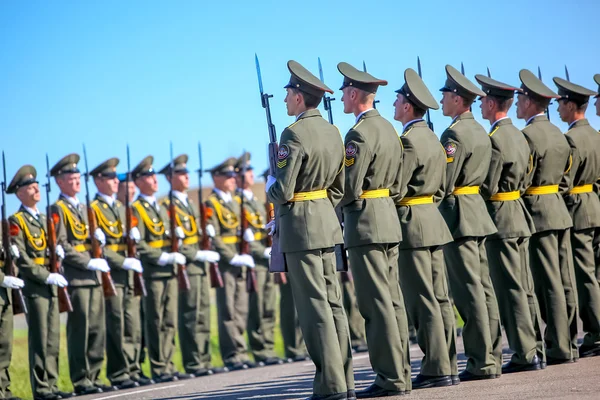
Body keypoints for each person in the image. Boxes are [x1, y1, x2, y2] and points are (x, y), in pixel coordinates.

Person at [266, 60, 353, 400]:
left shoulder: (293, 134)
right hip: (327, 226)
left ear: (300, 98)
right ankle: (345, 382)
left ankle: (330, 387)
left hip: (301, 231)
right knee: (333, 305)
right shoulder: (334, 131)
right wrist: (317, 207)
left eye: (288, 94)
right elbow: (339, 188)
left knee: (314, 308)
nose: (286, 100)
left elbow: (285, 191)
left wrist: (273, 187)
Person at [336, 61, 409, 398]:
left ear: (354, 94)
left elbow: (349, 187)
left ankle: (389, 378)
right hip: (388, 218)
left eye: (344, 93)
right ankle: (402, 373)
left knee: (375, 304)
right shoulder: (390, 130)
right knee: (393, 301)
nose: (341, 98)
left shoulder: (358, 134)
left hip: (365, 222)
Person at [474, 74, 545, 373]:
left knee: (510, 289)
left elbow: (488, 185)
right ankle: (535, 348)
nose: (479, 105)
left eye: (481, 101)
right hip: (519, 212)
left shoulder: (495, 140)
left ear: (491, 103)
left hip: (501, 216)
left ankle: (524, 354)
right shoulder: (518, 135)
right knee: (525, 287)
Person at [394, 68, 458, 388]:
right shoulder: (434, 138)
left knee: (423, 300)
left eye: (397, 100)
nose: (393, 105)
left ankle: (435, 367)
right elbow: (444, 187)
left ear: (408, 106)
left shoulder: (407, 141)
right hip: (433, 221)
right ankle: (447, 362)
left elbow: (397, 187)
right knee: (441, 298)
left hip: (413, 225)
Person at [516, 69, 579, 364]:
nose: (516, 104)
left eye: (519, 99)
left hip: (539, 211)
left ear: (529, 102)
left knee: (547, 283)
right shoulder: (559, 134)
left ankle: (558, 346)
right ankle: (570, 343)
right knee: (565, 281)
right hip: (560, 210)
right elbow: (567, 174)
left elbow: (523, 177)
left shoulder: (527, 136)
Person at [438, 65, 496, 380]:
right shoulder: (480, 132)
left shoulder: (454, 134)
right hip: (477, 211)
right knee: (484, 288)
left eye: (446, 95)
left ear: (459, 100)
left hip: (458, 215)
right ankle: (493, 356)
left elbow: (444, 181)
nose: (442, 100)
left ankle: (480, 360)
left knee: (468, 292)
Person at [7, 165, 71, 400]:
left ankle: (52, 385)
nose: (35, 188)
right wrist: (46, 275)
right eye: (28, 186)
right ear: (19, 193)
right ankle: (42, 388)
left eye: (35, 185)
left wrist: (59, 255)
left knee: (53, 338)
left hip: (52, 282)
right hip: (35, 286)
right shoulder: (16, 221)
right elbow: (22, 258)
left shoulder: (45, 218)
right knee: (41, 339)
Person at [50, 153, 112, 395]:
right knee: (81, 330)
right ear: (60, 182)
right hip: (78, 276)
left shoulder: (86, 208)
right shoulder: (58, 208)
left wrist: (100, 247)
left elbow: (91, 242)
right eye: (71, 177)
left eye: (77, 177)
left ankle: (95, 375)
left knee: (97, 329)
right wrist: (89, 262)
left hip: (94, 277)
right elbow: (63, 246)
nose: (76, 181)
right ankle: (81, 378)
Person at [158, 154, 221, 376]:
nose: (186, 177)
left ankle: (204, 360)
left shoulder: (191, 203)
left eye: (187, 173)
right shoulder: (168, 206)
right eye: (180, 173)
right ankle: (193, 362)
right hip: (189, 267)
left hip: (201, 268)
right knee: (190, 315)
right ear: (169, 177)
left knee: (203, 315)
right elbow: (174, 243)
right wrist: (197, 254)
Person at [89, 158, 148, 389]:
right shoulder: (94, 209)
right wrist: (123, 262)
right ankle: (119, 371)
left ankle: (133, 369)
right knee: (116, 324)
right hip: (112, 273)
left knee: (132, 323)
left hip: (128, 272)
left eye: (116, 178)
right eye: (111, 178)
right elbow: (101, 249)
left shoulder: (122, 208)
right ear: (98, 181)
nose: (116, 182)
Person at [130, 156, 190, 382]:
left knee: (169, 320)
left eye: (154, 176)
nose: (154, 180)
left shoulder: (163, 207)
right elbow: (140, 245)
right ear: (138, 181)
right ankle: (158, 366)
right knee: (156, 320)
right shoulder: (136, 209)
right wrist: (163, 256)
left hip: (170, 271)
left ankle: (168, 364)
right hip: (154, 272)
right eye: (148, 176)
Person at [554, 76, 600, 358]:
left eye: (561, 103)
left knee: (585, 275)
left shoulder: (571, 139)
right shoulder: (596, 136)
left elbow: (564, 181)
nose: (558, 108)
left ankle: (595, 332)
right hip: (595, 205)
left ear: (571, 106)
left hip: (579, 210)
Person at [205, 157, 256, 371]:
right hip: (227, 263)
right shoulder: (211, 203)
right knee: (228, 310)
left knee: (241, 308)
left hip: (241, 258)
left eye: (233, 175)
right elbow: (213, 236)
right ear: (216, 178)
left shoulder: (235, 201)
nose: (232, 179)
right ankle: (231, 354)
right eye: (227, 176)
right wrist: (230, 256)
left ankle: (241, 351)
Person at [235, 153, 283, 366]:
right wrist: (256, 249)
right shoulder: (237, 202)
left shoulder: (254, 201)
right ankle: (258, 349)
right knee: (255, 307)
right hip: (250, 261)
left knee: (268, 306)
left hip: (264, 259)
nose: (251, 175)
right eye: (247, 171)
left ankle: (268, 347)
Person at [260, 170, 309, 363]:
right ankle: (291, 347)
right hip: (281, 251)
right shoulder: (266, 204)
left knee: (300, 302)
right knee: (287, 305)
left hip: (294, 246)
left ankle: (301, 345)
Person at [115, 173, 150, 382]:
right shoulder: (118, 211)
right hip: (123, 272)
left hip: (137, 272)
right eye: (126, 187)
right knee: (125, 324)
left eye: (132, 188)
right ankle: (126, 369)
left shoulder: (130, 211)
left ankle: (137, 366)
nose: (131, 191)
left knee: (138, 323)